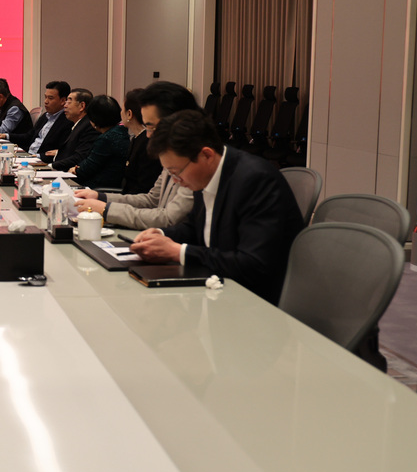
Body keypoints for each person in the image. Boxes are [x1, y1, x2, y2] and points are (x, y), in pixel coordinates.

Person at [129, 109, 304, 304]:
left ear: (206, 155)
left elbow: (252, 264)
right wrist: (161, 235)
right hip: (217, 287)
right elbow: (195, 228)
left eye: (177, 172)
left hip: (255, 300)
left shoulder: (255, 180)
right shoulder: (203, 174)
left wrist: (177, 252)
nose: (176, 181)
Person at [74, 81, 197, 230]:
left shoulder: (193, 161)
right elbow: (152, 200)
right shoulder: (169, 154)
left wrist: (106, 209)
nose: (148, 135)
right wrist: (100, 197)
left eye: (151, 126)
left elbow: (169, 219)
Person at [70, 95, 130, 188]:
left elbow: (88, 168)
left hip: (99, 188)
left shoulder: (107, 139)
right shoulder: (122, 131)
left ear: (94, 118)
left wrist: (76, 169)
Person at [121, 87, 163, 194]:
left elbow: (143, 188)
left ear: (129, 114)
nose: (121, 113)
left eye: (122, 109)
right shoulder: (137, 138)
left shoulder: (146, 142)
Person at [13, 80, 71, 155]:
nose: (46, 101)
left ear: (63, 101)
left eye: (50, 98)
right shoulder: (45, 116)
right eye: (45, 97)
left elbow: (59, 151)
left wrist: (36, 156)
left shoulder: (67, 121)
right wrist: (7, 136)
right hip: (29, 154)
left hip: (40, 159)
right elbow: (29, 136)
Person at [49, 88, 98, 169]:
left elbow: (79, 157)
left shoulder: (89, 126)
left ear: (82, 106)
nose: (65, 105)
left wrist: (50, 166)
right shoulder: (79, 124)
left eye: (69, 102)